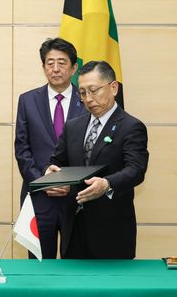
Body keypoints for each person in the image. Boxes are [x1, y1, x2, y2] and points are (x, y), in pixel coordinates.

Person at [46, 60, 149, 259]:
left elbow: (136, 170)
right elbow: (56, 162)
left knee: (109, 290)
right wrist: (50, 175)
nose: (88, 99)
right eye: (83, 93)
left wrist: (107, 183)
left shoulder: (131, 126)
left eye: (94, 90)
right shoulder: (73, 126)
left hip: (112, 231)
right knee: (73, 289)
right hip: (73, 228)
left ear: (113, 87)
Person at [14, 38, 87, 259]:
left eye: (62, 63)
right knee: (38, 266)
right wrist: (42, 182)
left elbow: (91, 150)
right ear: (43, 66)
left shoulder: (87, 101)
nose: (55, 69)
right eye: (49, 63)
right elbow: (22, 149)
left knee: (74, 264)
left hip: (75, 198)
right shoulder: (27, 100)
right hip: (38, 198)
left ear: (74, 68)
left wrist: (71, 182)